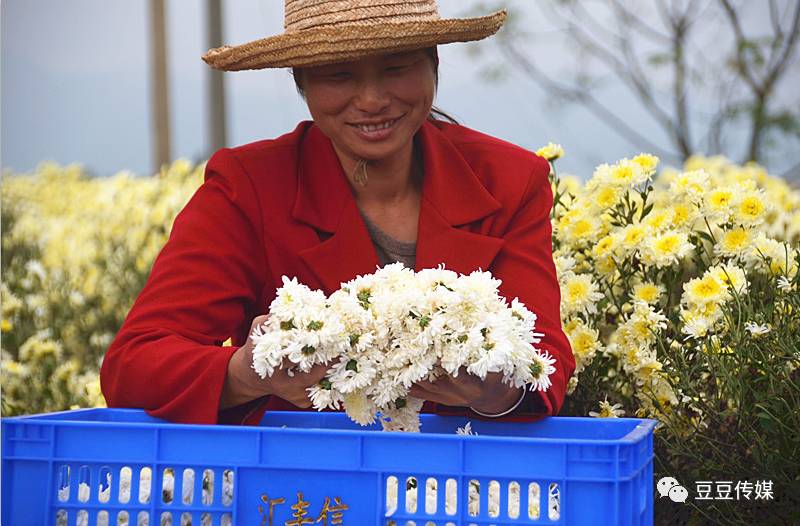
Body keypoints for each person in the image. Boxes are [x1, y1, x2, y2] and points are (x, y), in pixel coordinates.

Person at [100, 0, 575, 426]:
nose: (371, 100)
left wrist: (499, 391)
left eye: (396, 68)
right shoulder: (249, 186)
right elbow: (134, 365)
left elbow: (544, 361)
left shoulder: (509, 179)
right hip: (304, 490)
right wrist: (248, 372)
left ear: (434, 63)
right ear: (301, 81)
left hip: (464, 486)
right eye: (338, 74)